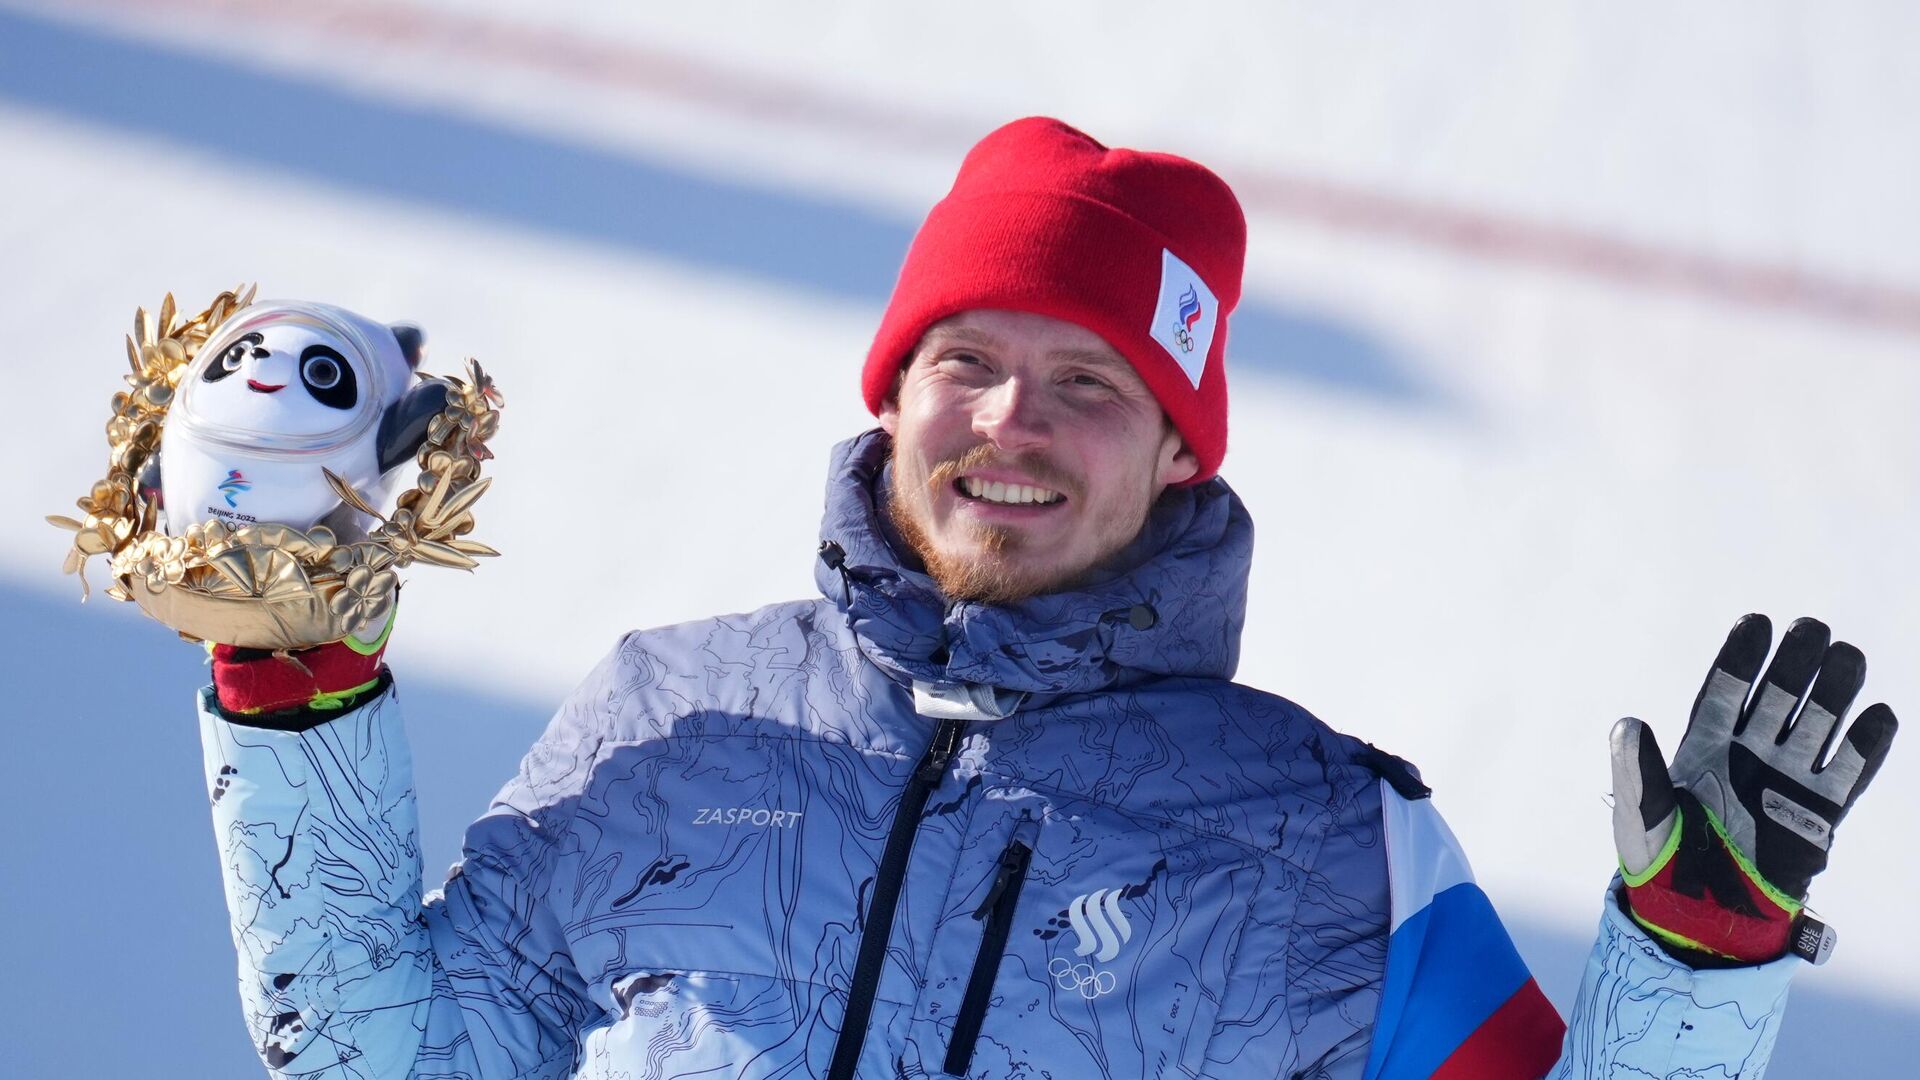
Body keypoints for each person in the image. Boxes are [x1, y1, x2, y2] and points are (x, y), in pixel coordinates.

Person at [192, 117, 1896, 1079]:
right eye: (970, 361)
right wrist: (294, 682)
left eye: (1088, 383)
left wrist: (1696, 958)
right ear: (894, 393)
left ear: (1176, 452)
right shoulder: (670, 714)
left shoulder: (1325, 838)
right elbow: (371, 1060)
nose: (1011, 421)